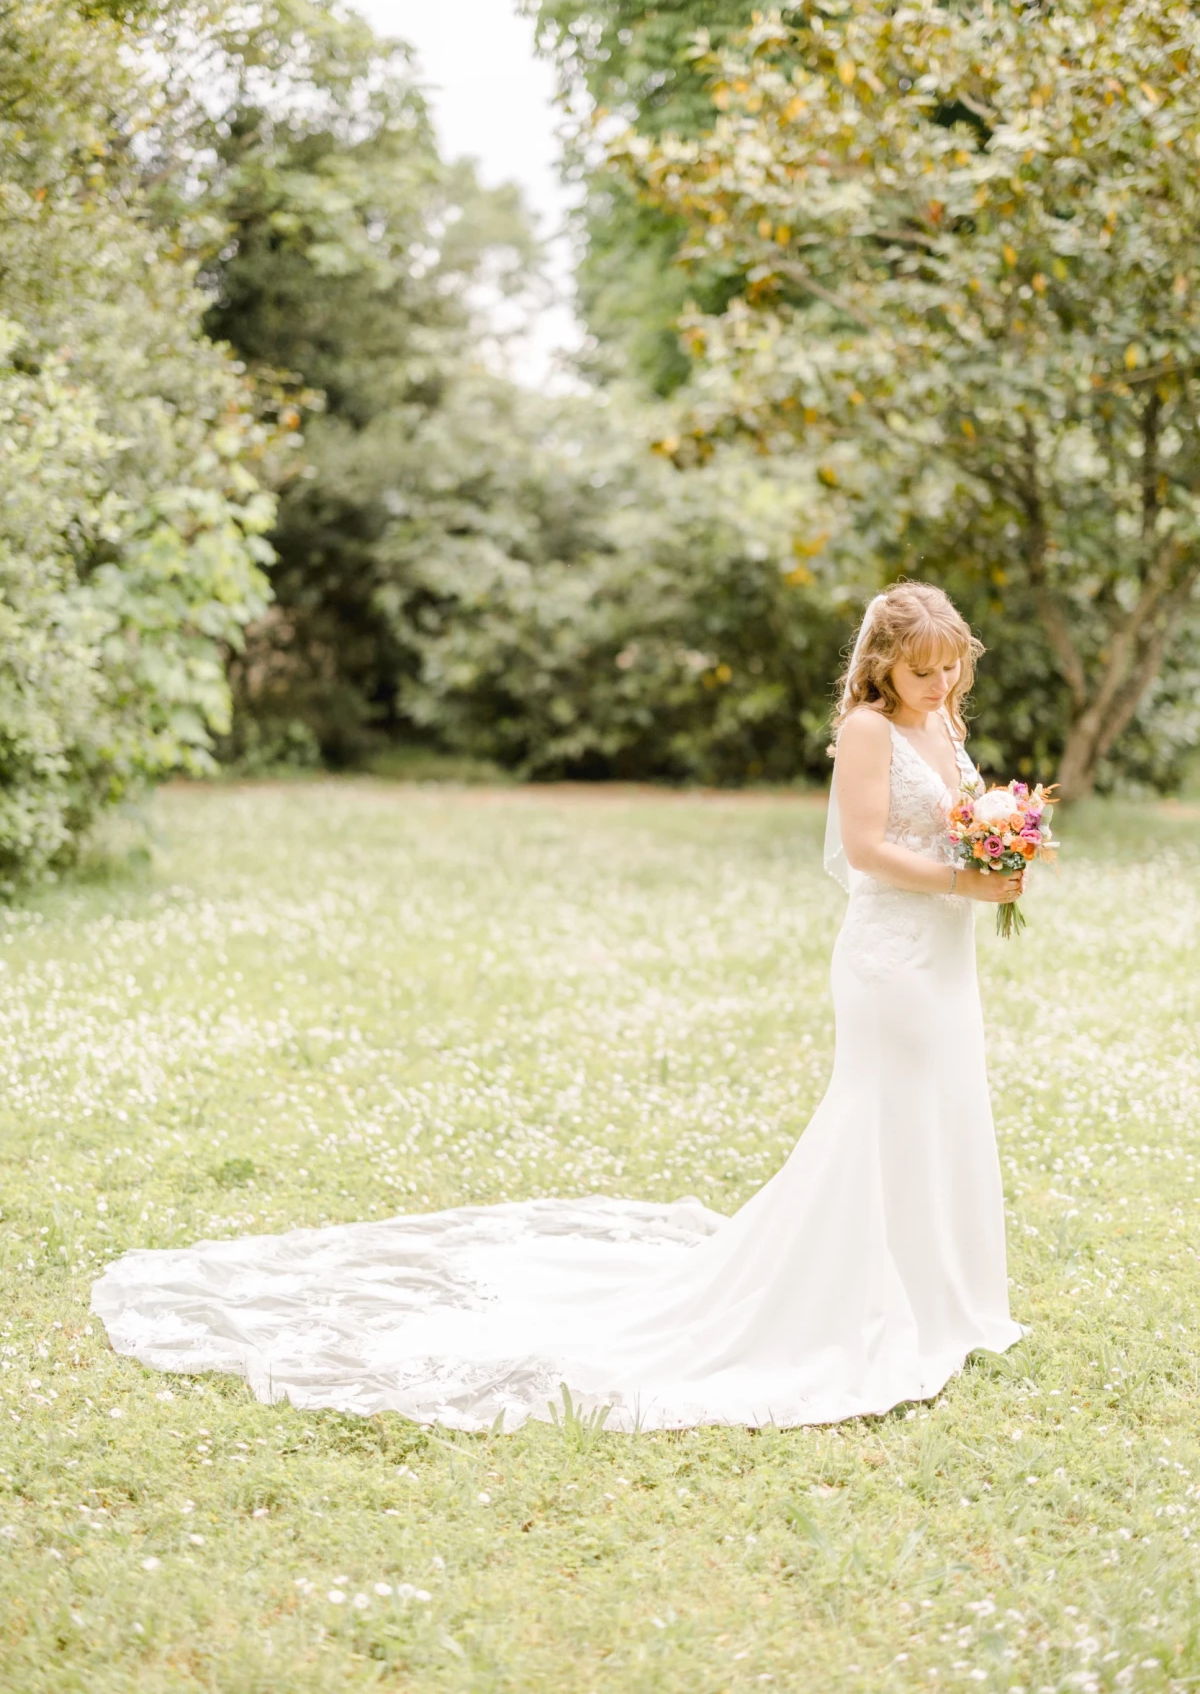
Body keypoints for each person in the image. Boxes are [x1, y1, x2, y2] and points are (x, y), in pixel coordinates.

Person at [92, 582, 1023, 1431]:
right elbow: (864, 850)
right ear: (879, 665)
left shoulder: (942, 722)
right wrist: (960, 875)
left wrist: (998, 849)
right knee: (878, 1111)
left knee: (941, 1105)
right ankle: (856, 1299)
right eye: (922, 669)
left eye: (951, 669)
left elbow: (957, 812)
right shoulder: (869, 732)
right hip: (890, 958)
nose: (939, 684)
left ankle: (940, 1293)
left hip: (946, 953)